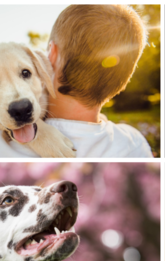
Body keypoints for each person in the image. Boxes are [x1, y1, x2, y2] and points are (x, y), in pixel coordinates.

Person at [0, 5, 153, 158]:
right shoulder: (134, 143)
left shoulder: (6, 150)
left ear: (52, 54)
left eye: (25, 73)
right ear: (122, 79)